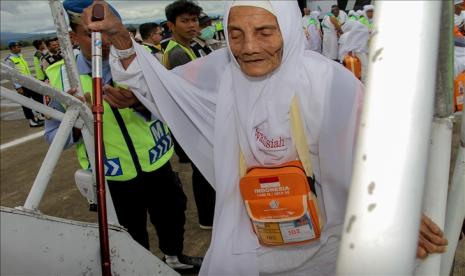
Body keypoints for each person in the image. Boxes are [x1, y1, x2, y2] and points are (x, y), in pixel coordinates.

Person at [83, 1, 449, 275]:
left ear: (288, 29)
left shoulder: (328, 81)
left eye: (264, 32)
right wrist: (118, 37)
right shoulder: (223, 75)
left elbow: (371, 153)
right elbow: (159, 86)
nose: (249, 47)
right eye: (236, 33)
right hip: (250, 242)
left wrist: (396, 211)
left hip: (324, 246)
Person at [45, 0, 203, 272]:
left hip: (157, 163)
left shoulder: (142, 60)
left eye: (107, 32)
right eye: (91, 34)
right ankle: (136, 268)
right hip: (113, 176)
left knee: (173, 215)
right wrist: (76, 119)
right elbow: (53, 137)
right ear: (72, 36)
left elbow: (173, 107)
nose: (103, 42)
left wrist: (139, 103)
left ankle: (175, 257)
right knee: (129, 233)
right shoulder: (60, 78)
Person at [162, 0, 215, 230]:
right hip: (192, 122)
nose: (192, 25)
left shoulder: (190, 46)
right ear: (171, 25)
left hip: (195, 119)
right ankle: (208, 218)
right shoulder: (177, 54)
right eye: (185, 21)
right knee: (202, 170)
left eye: (194, 20)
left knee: (204, 169)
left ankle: (209, 215)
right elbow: (193, 91)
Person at [4, 41, 44, 127]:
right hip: (21, 85)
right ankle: (31, 121)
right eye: (18, 47)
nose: (20, 48)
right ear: (12, 48)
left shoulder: (20, 57)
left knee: (38, 97)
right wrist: (18, 87)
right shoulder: (9, 60)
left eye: (20, 46)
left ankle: (40, 115)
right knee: (26, 103)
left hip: (29, 82)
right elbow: (11, 74)